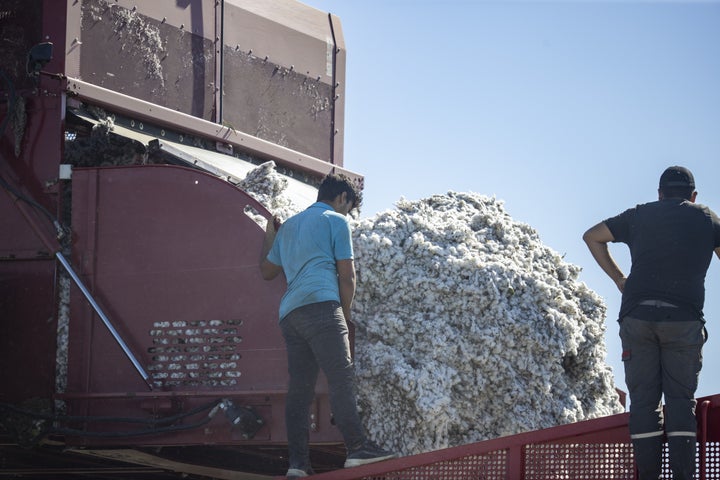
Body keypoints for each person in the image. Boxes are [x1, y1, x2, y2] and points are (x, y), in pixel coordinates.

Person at [583, 166, 720, 479]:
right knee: (681, 402)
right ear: (693, 196)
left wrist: (620, 279)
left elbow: (592, 237)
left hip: (638, 317)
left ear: (659, 194)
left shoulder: (638, 215)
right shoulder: (707, 218)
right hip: (683, 321)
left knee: (644, 403)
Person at [259, 173, 398, 479]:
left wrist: (271, 234)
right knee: (340, 377)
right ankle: (358, 448)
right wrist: (344, 316)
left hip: (290, 315)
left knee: (299, 390)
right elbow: (346, 276)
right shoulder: (336, 221)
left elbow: (267, 271)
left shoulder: (291, 226)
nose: (347, 212)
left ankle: (297, 464)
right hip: (322, 306)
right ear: (342, 199)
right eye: (348, 206)